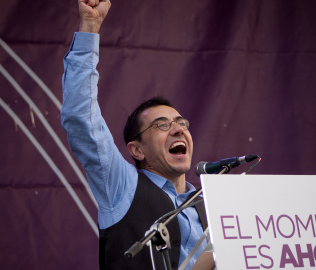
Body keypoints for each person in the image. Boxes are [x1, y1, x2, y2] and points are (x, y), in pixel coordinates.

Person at [61, 1, 212, 269]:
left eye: (180, 123)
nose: (177, 128)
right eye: (162, 125)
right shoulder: (122, 186)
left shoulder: (211, 205)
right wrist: (90, 27)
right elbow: (81, 118)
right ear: (137, 150)